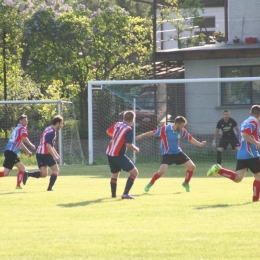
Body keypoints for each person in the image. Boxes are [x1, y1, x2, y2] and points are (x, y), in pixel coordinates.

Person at [136, 116, 206, 193]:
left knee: (192, 167)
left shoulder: (182, 131)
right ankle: (150, 184)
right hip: (167, 154)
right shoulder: (165, 129)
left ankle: (186, 183)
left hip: (178, 153)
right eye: (182, 125)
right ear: (177, 124)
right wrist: (142, 135)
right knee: (162, 171)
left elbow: (190, 138)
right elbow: (153, 132)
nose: (183, 127)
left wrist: (200, 144)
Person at [207, 105, 260, 202]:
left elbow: (246, 135)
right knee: (258, 177)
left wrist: (256, 140)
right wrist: (257, 143)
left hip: (241, 154)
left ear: (250, 113)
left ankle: (219, 170)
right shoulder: (254, 122)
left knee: (238, 178)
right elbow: (245, 134)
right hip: (251, 154)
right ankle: (255, 200)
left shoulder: (245, 121)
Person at [23, 115, 63, 191]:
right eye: (61, 123)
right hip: (45, 154)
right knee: (56, 170)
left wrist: (57, 155)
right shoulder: (52, 132)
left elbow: (50, 146)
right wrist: (54, 156)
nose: (61, 125)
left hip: (39, 153)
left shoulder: (48, 129)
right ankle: (49, 188)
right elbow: (48, 146)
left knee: (44, 174)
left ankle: (28, 174)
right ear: (57, 123)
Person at [106, 110, 139, 199]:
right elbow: (128, 144)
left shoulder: (117, 124)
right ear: (132, 119)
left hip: (110, 153)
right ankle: (125, 194)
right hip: (118, 155)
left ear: (124, 118)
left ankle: (113, 195)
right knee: (134, 172)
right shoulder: (128, 129)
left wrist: (116, 137)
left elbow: (108, 132)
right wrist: (136, 149)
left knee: (115, 175)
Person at [0, 114, 36, 189]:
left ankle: (18, 186)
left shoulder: (17, 129)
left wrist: (27, 151)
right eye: (24, 121)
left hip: (10, 152)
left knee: (22, 168)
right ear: (20, 121)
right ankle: (18, 185)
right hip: (11, 152)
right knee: (6, 173)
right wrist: (31, 145)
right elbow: (24, 137)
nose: (26, 122)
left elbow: (20, 143)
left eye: (26, 121)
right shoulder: (22, 128)